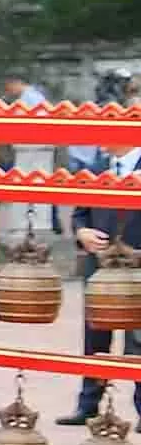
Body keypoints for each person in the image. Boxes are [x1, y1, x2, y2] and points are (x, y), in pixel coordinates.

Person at [61, 140, 141, 425]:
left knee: (139, 341)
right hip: (100, 270)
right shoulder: (95, 170)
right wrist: (83, 232)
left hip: (137, 268)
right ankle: (88, 405)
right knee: (95, 335)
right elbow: (80, 214)